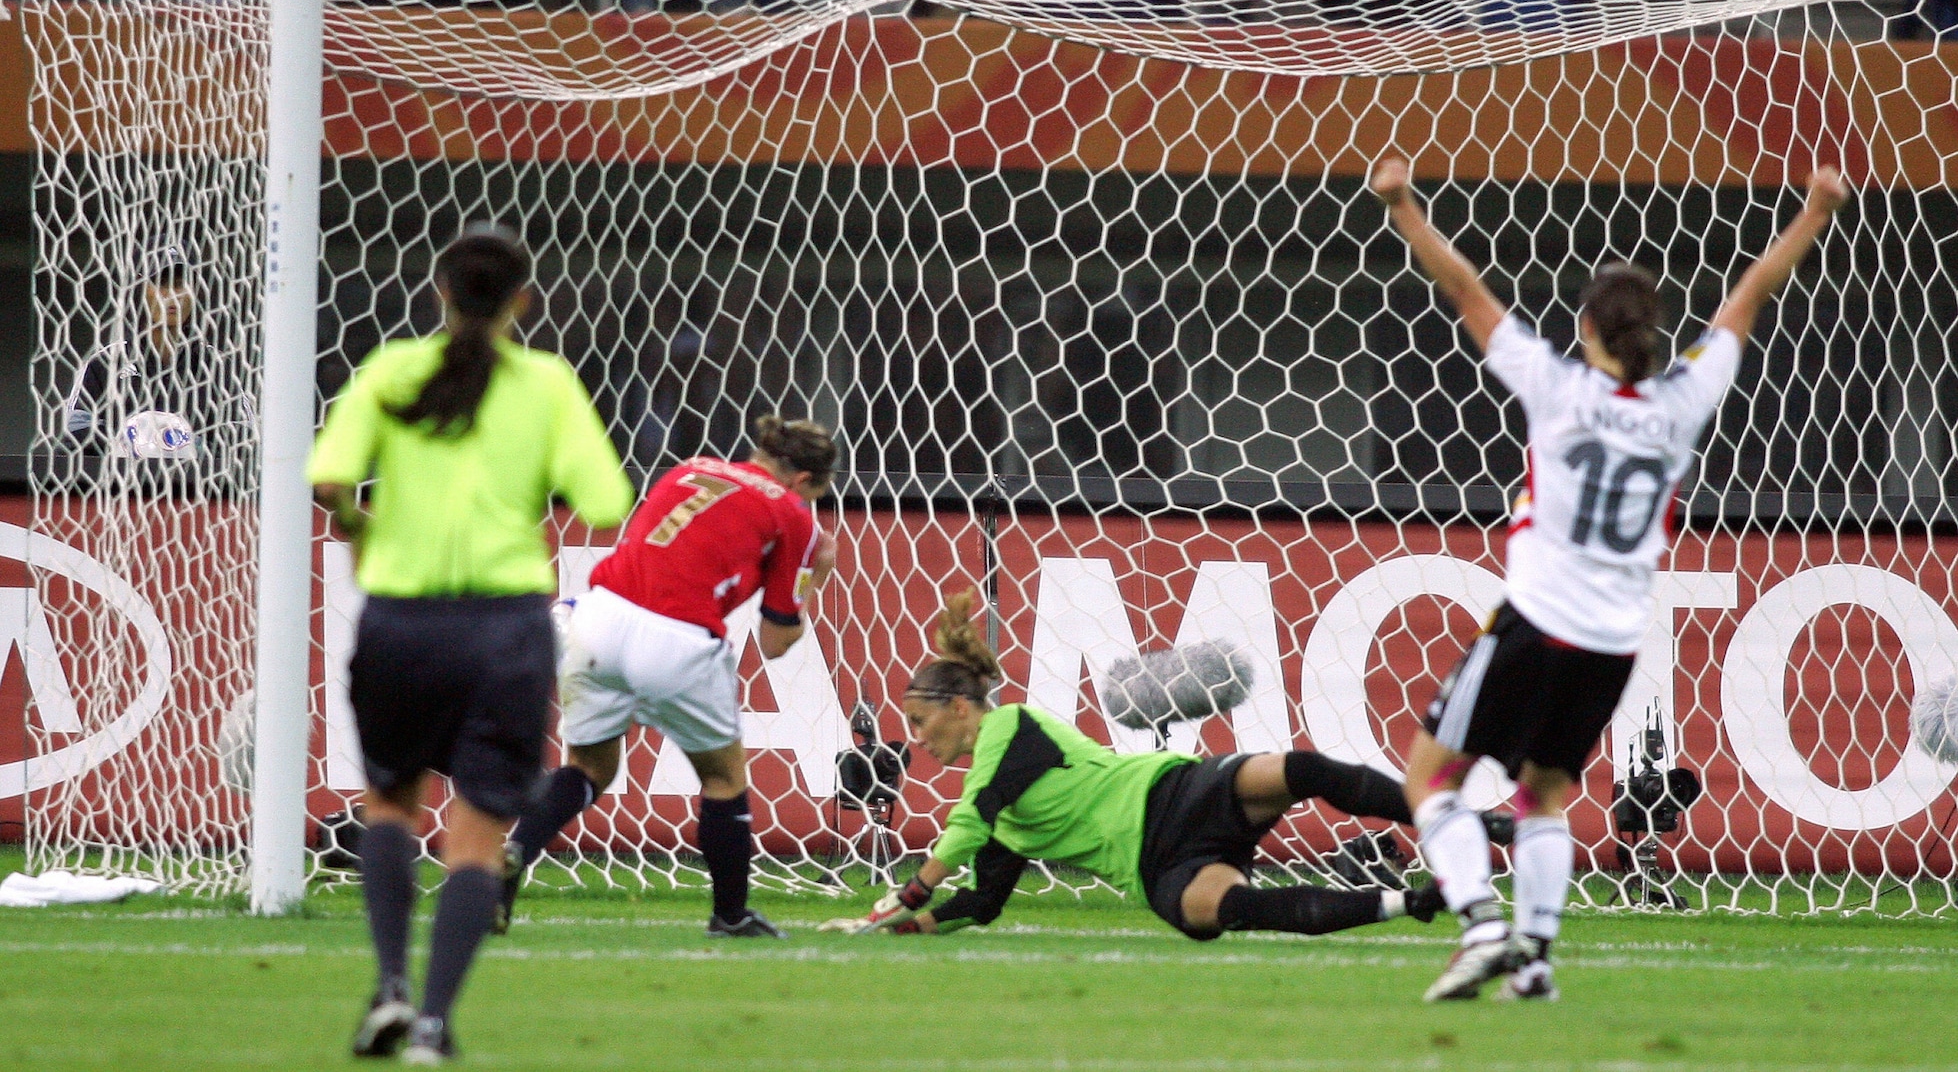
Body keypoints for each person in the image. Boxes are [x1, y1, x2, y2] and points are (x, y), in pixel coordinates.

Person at [1371, 156, 1849, 1002]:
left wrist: (1404, 205)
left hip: (1533, 622)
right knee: (1544, 796)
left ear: (1585, 326)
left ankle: (1482, 923)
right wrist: (1812, 213)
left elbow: (1468, 288)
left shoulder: (1553, 387)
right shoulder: (1681, 402)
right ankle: (1539, 957)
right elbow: (1747, 298)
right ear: (1655, 338)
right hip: (1613, 643)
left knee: (1430, 780)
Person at [309, 224, 634, 1064]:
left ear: (439, 295)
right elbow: (605, 500)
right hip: (504, 629)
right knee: (478, 833)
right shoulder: (546, 384)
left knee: (389, 802)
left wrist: (360, 525)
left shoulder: (390, 370)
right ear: (522, 301)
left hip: (401, 622)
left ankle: (388, 987)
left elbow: (329, 480)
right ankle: (434, 1024)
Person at [820, 591, 1506, 941]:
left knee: (1297, 769)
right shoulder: (999, 811)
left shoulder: (1010, 727)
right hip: (1158, 868)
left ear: (963, 704)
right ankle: (1408, 903)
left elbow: (970, 821)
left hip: (1175, 793)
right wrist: (894, 928)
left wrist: (904, 893)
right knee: (1217, 911)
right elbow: (979, 904)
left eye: (920, 720)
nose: (916, 738)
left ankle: (1462, 817)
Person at [501, 413, 840, 938]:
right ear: (801, 482)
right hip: (676, 640)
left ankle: (516, 849)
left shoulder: (691, 468)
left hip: (594, 620)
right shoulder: (792, 512)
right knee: (724, 778)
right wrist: (815, 575)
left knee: (589, 770)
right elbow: (775, 643)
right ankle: (730, 915)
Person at [62, 237, 254, 495]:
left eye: (180, 285)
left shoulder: (219, 368)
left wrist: (190, 446)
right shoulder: (104, 364)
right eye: (161, 284)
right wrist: (129, 441)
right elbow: (73, 436)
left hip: (198, 500)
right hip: (118, 497)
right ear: (142, 289)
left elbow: (244, 442)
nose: (172, 296)